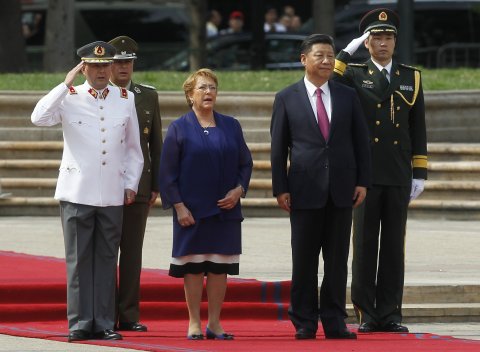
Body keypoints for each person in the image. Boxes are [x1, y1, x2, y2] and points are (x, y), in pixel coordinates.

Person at [31, 41, 143, 342]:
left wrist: (131, 183)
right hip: (77, 190)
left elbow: (133, 148)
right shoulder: (69, 97)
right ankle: (80, 322)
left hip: (111, 191)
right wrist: (64, 84)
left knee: (107, 259)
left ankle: (104, 322)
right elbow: (38, 118)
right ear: (84, 68)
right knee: (79, 260)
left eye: (105, 66)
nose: (102, 71)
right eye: (95, 66)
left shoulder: (125, 98)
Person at [270, 34, 371, 340]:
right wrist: (280, 187)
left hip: (342, 190)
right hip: (304, 189)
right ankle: (304, 320)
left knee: (338, 260)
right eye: (320, 56)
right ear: (304, 60)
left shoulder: (346, 95)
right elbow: (278, 147)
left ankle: (334, 320)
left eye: (330, 56)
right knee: (304, 260)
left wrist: (362, 181)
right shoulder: (286, 97)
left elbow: (360, 142)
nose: (327, 61)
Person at [333, 8, 428, 333]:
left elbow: (418, 128)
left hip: (399, 172)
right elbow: (329, 80)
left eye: (388, 37)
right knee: (364, 245)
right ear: (368, 42)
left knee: (392, 247)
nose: (382, 43)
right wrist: (347, 51)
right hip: (366, 173)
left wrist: (420, 172)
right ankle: (366, 313)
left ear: (395, 41)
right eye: (376, 38)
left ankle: (390, 312)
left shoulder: (410, 76)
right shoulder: (355, 74)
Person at [158, 69, 252, 340]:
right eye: (202, 88)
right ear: (190, 95)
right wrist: (178, 206)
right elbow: (167, 173)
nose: (209, 92)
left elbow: (245, 163)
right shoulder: (180, 127)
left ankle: (215, 323)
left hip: (226, 211)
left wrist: (239, 190)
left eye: (212, 87)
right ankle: (194, 323)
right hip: (191, 213)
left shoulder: (231, 125)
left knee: (220, 267)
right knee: (195, 267)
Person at [108, 35, 163, 333]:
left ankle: (128, 314)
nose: (124, 67)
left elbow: (155, 142)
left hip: (139, 185)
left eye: (128, 62)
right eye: (118, 62)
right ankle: (104, 314)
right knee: (105, 252)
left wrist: (156, 183)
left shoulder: (147, 95)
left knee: (131, 253)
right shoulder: (99, 94)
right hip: (103, 184)